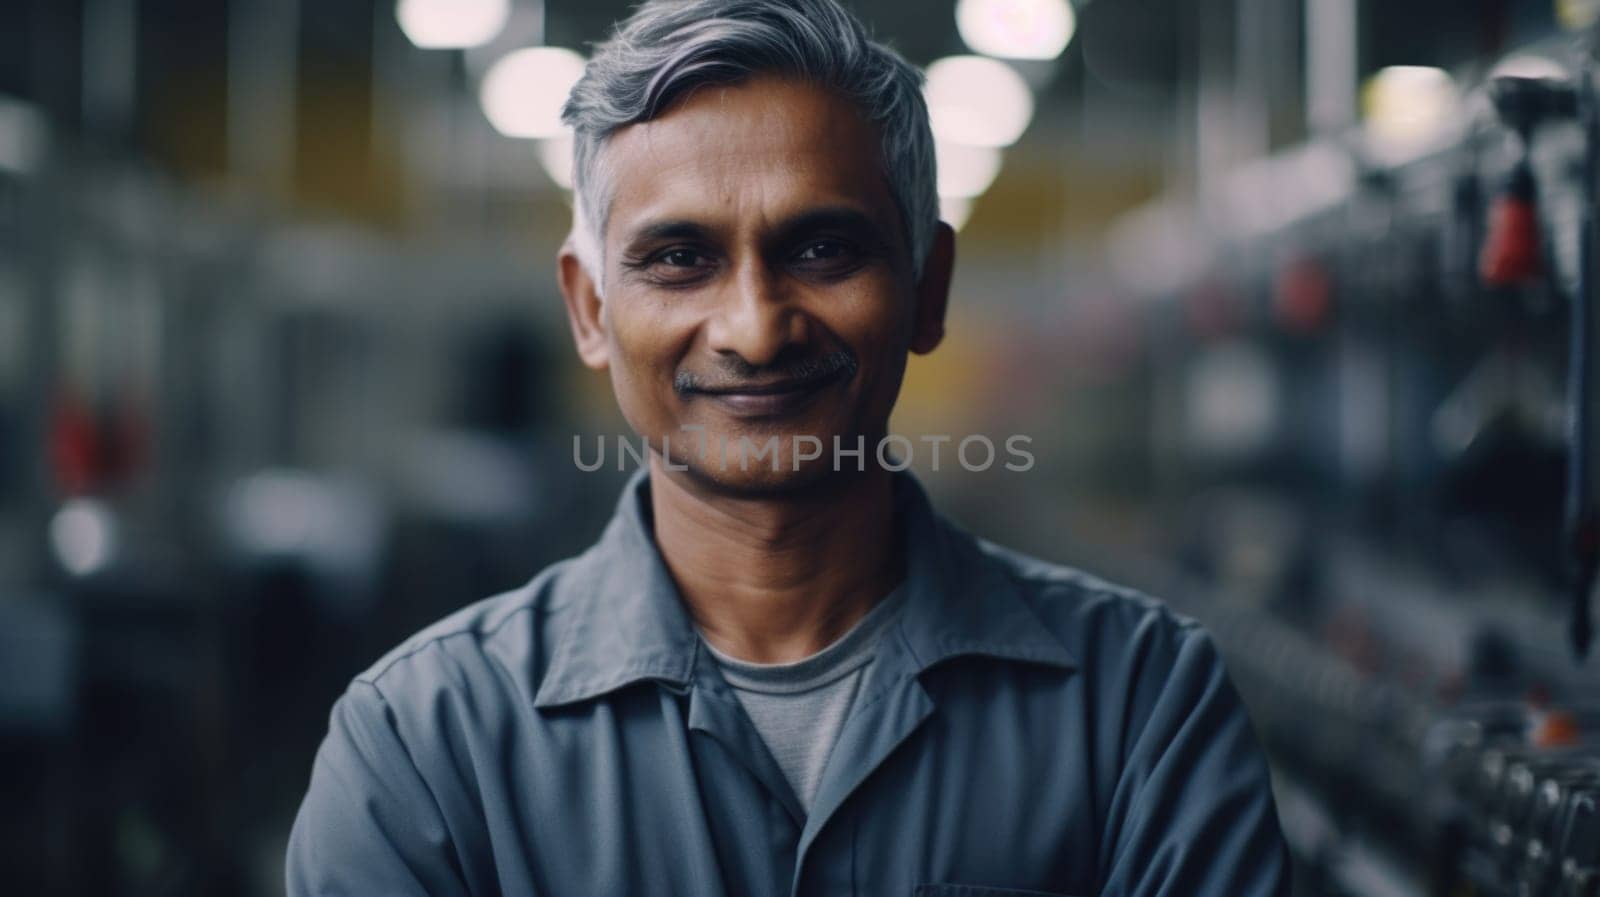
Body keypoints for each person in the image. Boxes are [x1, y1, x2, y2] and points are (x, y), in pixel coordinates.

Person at [285, 1, 1291, 894]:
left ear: (926, 288)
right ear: (591, 310)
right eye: (680, 260)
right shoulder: (425, 744)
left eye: (822, 250)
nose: (755, 329)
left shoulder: (1140, 707)